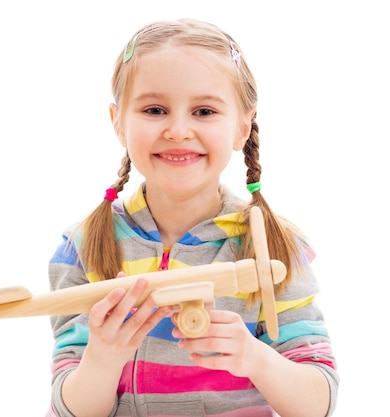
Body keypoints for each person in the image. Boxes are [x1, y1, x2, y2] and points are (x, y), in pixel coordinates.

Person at [46, 18, 338, 417]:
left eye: (203, 111)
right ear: (117, 121)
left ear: (242, 127)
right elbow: (72, 409)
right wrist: (102, 357)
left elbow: (318, 404)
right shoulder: (83, 247)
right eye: (154, 109)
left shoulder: (276, 245)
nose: (178, 130)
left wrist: (253, 357)